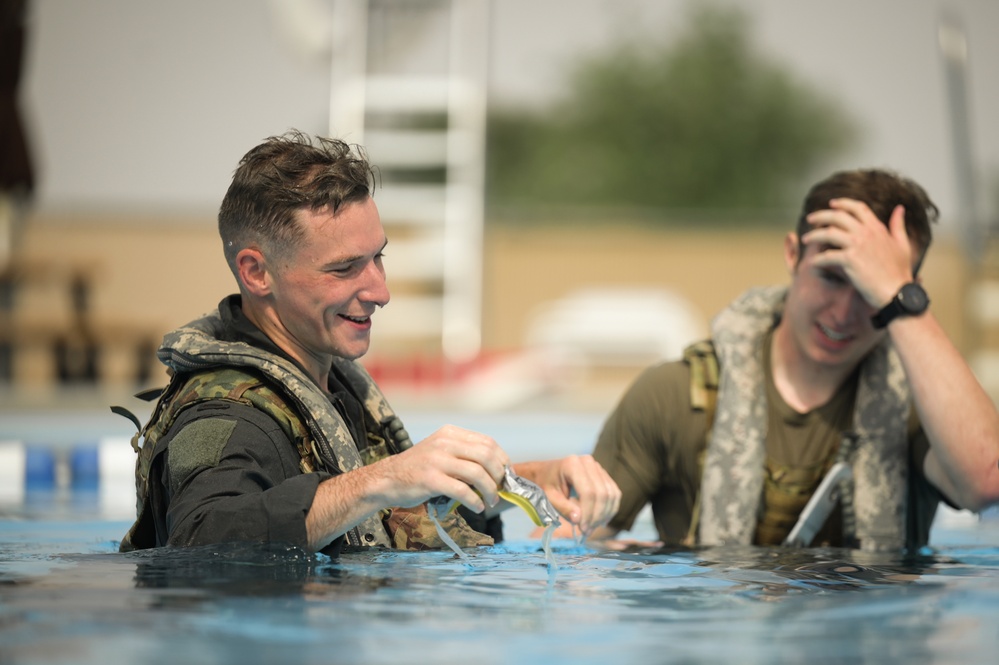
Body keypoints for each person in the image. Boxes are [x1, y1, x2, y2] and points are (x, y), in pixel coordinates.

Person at [118, 131, 620, 556]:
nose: (380, 291)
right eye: (344, 269)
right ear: (256, 271)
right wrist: (382, 480)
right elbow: (202, 541)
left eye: (378, 258)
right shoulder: (227, 418)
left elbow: (379, 514)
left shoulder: (328, 381)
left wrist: (517, 483)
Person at [585, 168, 999, 551]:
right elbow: (567, 544)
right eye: (832, 277)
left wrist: (901, 300)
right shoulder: (673, 395)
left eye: (870, 291)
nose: (843, 312)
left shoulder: (924, 410)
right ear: (792, 254)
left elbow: (987, 481)